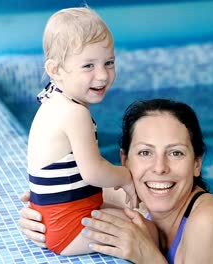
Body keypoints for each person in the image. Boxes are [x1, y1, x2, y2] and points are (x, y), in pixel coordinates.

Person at [20, 99, 213, 263]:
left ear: (197, 164)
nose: (160, 168)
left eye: (176, 153)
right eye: (145, 153)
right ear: (125, 161)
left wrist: (146, 255)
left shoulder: (208, 223)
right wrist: (42, 214)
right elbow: (76, 196)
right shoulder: (134, 197)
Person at [26, 7, 138, 256]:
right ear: (55, 70)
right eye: (88, 65)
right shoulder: (75, 113)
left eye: (109, 62)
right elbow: (93, 172)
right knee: (142, 227)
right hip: (69, 228)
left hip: (56, 220)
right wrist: (126, 176)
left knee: (132, 212)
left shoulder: (55, 100)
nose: (102, 75)